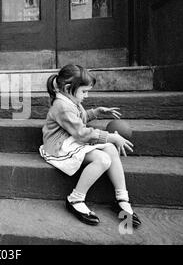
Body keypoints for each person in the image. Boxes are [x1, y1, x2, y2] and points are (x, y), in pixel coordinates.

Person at [39, 64, 141, 227]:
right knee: (103, 160)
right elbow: (81, 133)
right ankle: (75, 199)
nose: (86, 96)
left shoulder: (70, 100)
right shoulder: (62, 106)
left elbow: (79, 118)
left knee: (110, 149)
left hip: (71, 138)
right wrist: (109, 136)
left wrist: (97, 112)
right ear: (67, 88)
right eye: (84, 91)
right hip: (59, 146)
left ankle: (122, 199)